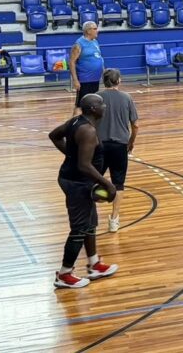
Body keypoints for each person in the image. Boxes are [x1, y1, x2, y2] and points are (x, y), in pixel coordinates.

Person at [48, 94, 119, 289]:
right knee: (79, 228)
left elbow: (53, 135)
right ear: (94, 109)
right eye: (101, 104)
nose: (104, 106)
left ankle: (94, 264)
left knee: (90, 223)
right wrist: (108, 185)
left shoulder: (75, 122)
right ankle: (64, 274)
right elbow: (84, 165)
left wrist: (70, 154)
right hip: (77, 183)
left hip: (77, 180)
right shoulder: (87, 130)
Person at [97, 68, 139, 233]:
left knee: (94, 178)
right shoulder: (127, 98)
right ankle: (114, 220)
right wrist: (131, 142)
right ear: (119, 81)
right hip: (120, 145)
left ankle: (92, 209)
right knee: (118, 183)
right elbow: (135, 124)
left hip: (99, 145)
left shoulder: (96, 97)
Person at [70, 21, 104, 112]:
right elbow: (72, 62)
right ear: (88, 31)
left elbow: (99, 57)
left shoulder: (95, 42)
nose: (97, 31)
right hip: (85, 80)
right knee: (80, 105)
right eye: (95, 29)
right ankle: (73, 125)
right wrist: (75, 80)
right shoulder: (78, 45)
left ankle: (89, 124)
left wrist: (103, 72)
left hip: (95, 79)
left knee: (93, 103)